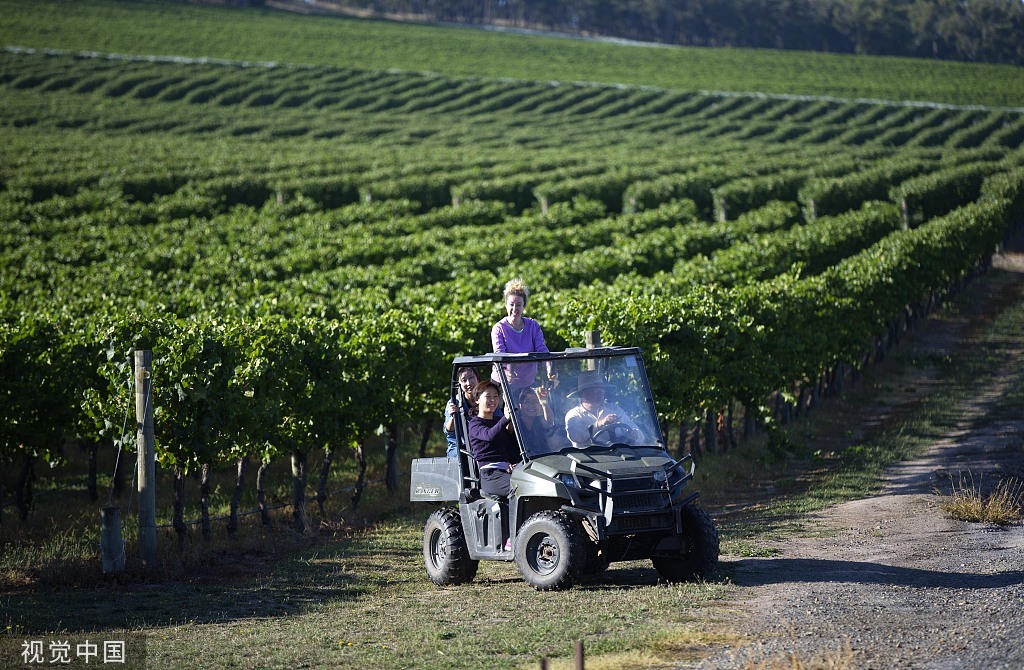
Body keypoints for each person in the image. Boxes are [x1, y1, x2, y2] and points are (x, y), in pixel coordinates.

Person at [491, 277, 554, 388]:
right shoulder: (498, 328)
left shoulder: (533, 326)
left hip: (527, 382)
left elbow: (541, 349)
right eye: (511, 304)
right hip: (503, 383)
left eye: (519, 305)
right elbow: (500, 355)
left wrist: (550, 366)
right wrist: (508, 372)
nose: (515, 309)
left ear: (524, 306)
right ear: (506, 305)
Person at [467, 379, 521, 499]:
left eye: (496, 396)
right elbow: (489, 435)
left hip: (508, 471)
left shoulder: (498, 420)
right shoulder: (474, 424)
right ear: (477, 400)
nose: (493, 400)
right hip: (490, 475)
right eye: (488, 396)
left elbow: (510, 444)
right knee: (520, 488)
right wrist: (506, 417)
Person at [564, 371, 643, 448]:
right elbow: (576, 437)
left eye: (602, 388)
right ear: (583, 393)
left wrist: (634, 434)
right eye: (595, 389)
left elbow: (636, 432)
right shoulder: (574, 415)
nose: (601, 392)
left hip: (619, 455)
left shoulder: (615, 409)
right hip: (586, 459)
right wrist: (599, 425)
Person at [443, 367, 480, 458]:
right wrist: (453, 416)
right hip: (461, 448)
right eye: (464, 380)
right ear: (459, 383)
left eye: (471, 377)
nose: (468, 383)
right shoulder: (455, 402)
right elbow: (448, 431)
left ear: (477, 378)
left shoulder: (487, 398)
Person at [512, 386, 557, 454]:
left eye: (535, 401)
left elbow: (549, 422)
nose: (532, 405)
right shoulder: (516, 423)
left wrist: (543, 402)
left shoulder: (538, 421)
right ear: (520, 405)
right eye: (527, 402)